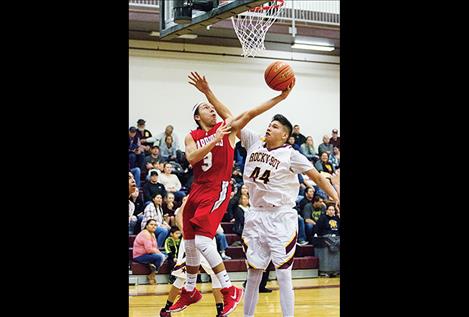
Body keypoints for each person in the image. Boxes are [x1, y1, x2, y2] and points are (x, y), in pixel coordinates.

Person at [168, 71, 293, 316]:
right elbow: (192, 157)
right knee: (190, 243)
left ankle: (228, 288)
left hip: (217, 189)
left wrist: (279, 98)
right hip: (197, 188)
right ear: (197, 116)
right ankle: (190, 290)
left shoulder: (228, 129)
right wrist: (214, 139)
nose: (211, 110)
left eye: (212, 106)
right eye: (206, 107)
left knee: (203, 241)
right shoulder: (191, 135)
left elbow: (250, 113)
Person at [239, 114, 339, 317]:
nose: (269, 128)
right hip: (256, 214)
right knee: (253, 275)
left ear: (284, 135)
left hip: (280, 216)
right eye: (269, 125)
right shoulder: (253, 142)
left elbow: (318, 178)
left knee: (284, 273)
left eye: (274, 126)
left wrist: (336, 196)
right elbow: (232, 119)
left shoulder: (291, 155)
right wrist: (208, 93)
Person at [160, 197, 225, 317]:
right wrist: (186, 232)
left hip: (207, 239)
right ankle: (166, 309)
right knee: (181, 277)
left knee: (216, 275)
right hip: (190, 239)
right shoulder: (191, 200)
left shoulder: (212, 198)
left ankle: (221, 311)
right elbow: (179, 216)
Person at [133, 219, 167, 285]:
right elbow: (149, 249)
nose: (153, 226)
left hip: (148, 254)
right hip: (139, 256)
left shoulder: (152, 234)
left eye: (155, 225)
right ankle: (152, 275)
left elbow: (155, 248)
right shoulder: (145, 234)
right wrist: (159, 253)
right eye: (151, 224)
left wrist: (159, 253)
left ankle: (152, 267)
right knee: (160, 257)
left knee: (166, 255)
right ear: (146, 226)